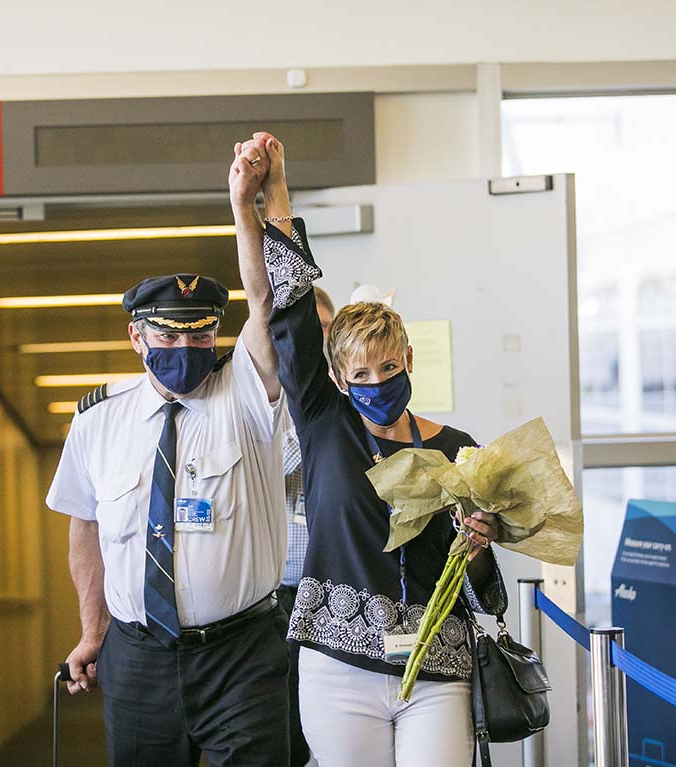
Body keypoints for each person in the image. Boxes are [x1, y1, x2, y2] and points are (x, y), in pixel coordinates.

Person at [235, 131, 508, 767]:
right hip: (338, 667)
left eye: (388, 367)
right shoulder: (326, 426)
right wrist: (276, 197)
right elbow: (292, 311)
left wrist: (479, 546)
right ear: (336, 380)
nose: (377, 383)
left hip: (437, 667)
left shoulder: (460, 451)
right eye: (359, 375)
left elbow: (486, 597)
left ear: (409, 360)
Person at [45, 144, 292, 766]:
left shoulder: (244, 391)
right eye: (168, 333)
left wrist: (249, 204)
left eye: (202, 331)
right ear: (136, 337)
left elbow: (268, 302)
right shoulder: (97, 418)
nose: (187, 344)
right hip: (138, 657)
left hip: (241, 655)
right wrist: (92, 630)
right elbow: (86, 527)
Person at [279, 285, 334, 767]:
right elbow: (266, 470)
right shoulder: (259, 401)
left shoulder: (354, 406)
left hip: (338, 598)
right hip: (275, 602)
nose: (308, 345)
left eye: (319, 333)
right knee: (284, 732)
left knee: (335, 733)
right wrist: (310, 415)